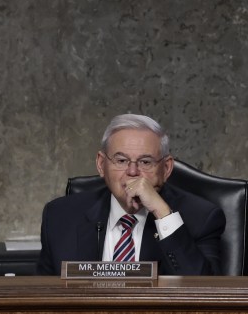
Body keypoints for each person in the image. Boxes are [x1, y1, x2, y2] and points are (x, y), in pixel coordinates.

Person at [37, 114, 225, 275]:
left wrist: (161, 212)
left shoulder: (201, 218)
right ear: (101, 164)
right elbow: (42, 300)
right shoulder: (60, 216)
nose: (133, 171)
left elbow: (203, 296)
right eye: (121, 160)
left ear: (166, 168)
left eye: (145, 162)